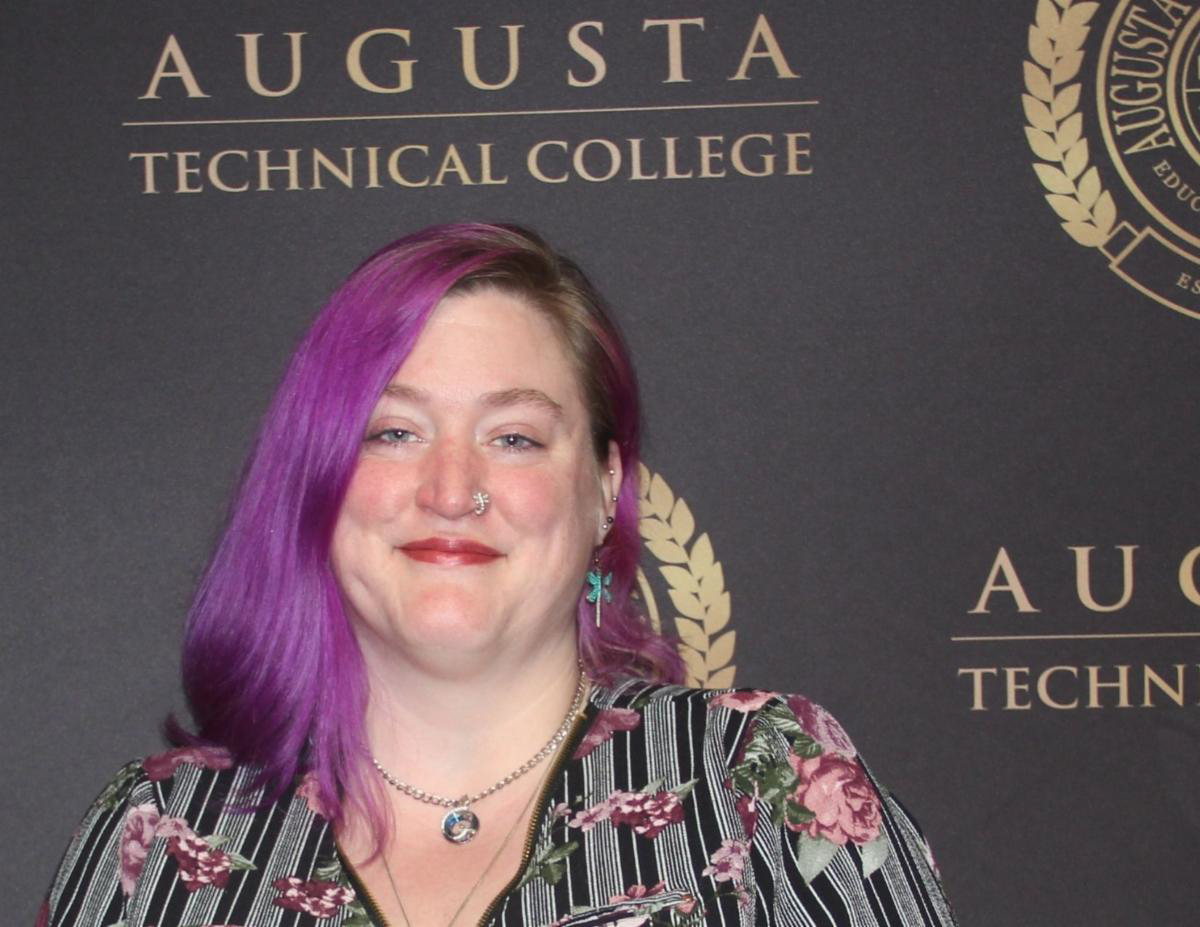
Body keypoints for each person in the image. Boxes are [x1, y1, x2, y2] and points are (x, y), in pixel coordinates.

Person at [39, 223, 955, 926]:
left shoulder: (760, 783)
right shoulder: (160, 836)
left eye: (512, 437)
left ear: (605, 489)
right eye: (394, 431)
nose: (451, 490)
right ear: (317, 476)